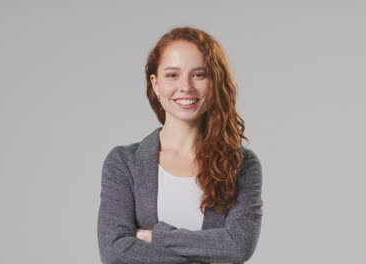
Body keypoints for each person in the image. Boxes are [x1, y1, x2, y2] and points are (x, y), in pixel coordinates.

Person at [97, 26, 263, 264]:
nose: (185, 86)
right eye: (172, 75)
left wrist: (156, 237)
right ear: (155, 84)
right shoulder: (124, 162)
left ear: (214, 82)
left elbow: (238, 245)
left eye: (199, 74)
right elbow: (114, 251)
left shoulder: (241, 164)